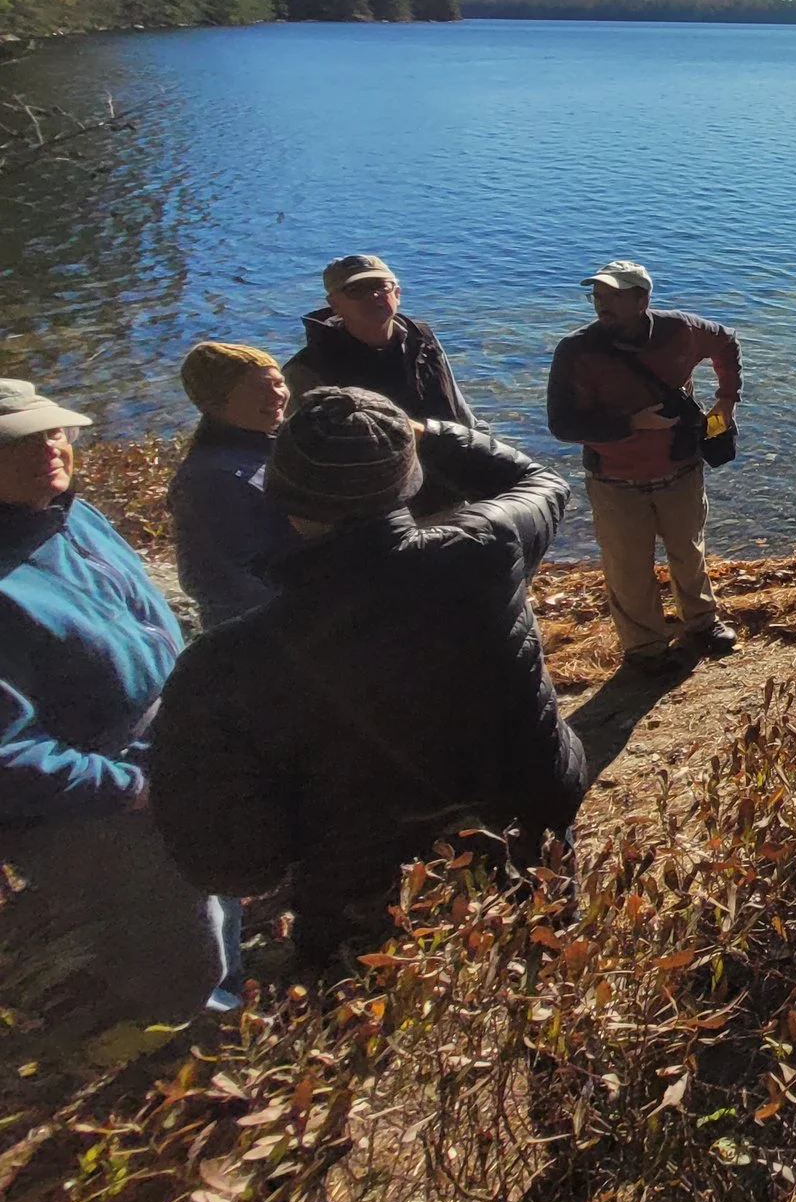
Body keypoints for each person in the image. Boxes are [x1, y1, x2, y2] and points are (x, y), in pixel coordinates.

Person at [150, 389, 587, 969]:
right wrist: (431, 432)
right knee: (545, 977)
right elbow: (543, 485)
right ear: (409, 482)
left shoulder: (223, 663)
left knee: (400, 1024)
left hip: (361, 890)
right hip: (527, 822)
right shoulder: (483, 551)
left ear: (279, 494)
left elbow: (229, 865)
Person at [0, 380, 239, 1046]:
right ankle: (170, 1041)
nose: (50, 445)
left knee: (217, 889)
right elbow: (9, 758)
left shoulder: (70, 513)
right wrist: (135, 790)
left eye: (55, 430)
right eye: (20, 438)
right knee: (179, 933)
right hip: (96, 801)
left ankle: (215, 1001)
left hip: (167, 747)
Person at [546, 261, 742, 669]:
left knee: (689, 552)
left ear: (642, 299)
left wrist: (727, 399)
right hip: (615, 478)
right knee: (628, 568)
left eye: (614, 296)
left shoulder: (679, 330)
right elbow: (561, 424)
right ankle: (645, 649)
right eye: (598, 296)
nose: (603, 304)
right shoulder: (576, 351)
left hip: (682, 466)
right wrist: (632, 423)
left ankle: (703, 623)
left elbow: (726, 342)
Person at [167, 342, 298, 629]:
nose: (277, 395)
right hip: (268, 632)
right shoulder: (209, 481)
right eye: (260, 389)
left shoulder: (273, 444)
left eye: (279, 383)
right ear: (217, 403)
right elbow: (219, 583)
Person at [284, 253, 476, 425]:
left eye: (380, 286)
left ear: (397, 294)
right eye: (356, 290)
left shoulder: (421, 338)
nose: (373, 295)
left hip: (448, 452)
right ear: (334, 304)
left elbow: (460, 410)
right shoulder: (309, 368)